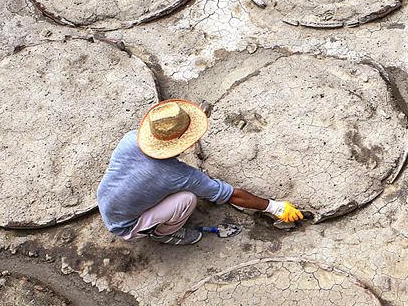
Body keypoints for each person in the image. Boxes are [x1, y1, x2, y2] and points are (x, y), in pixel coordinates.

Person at [97, 100, 302, 246]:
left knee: (158, 187)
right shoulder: (179, 175)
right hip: (126, 225)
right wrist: (274, 207)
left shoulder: (130, 139)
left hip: (106, 202)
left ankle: (152, 219)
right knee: (187, 199)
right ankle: (164, 234)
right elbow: (229, 195)